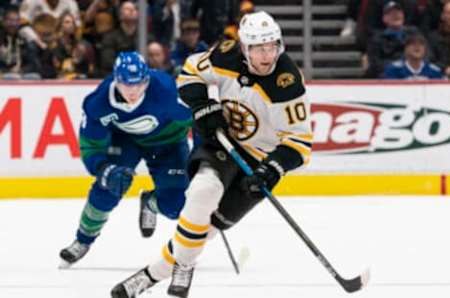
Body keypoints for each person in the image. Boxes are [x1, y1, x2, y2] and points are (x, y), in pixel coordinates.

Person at [110, 11, 312, 298]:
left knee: (206, 230)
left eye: (272, 46)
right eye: (258, 48)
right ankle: (178, 268)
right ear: (244, 47)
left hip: (262, 160)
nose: (267, 55)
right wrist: (203, 105)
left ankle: (150, 275)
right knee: (203, 191)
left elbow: (299, 142)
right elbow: (190, 71)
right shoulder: (226, 55)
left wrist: (272, 169)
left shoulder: (288, 83)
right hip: (223, 141)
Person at [59, 51, 192, 267]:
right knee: (108, 187)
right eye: (127, 84)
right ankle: (82, 240)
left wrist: (203, 148)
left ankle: (150, 202)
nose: (134, 91)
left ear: (147, 79)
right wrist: (103, 169)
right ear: (116, 80)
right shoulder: (97, 103)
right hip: (126, 141)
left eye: (140, 84)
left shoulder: (164, 89)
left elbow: (194, 117)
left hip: (169, 143)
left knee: (175, 206)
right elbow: (91, 145)